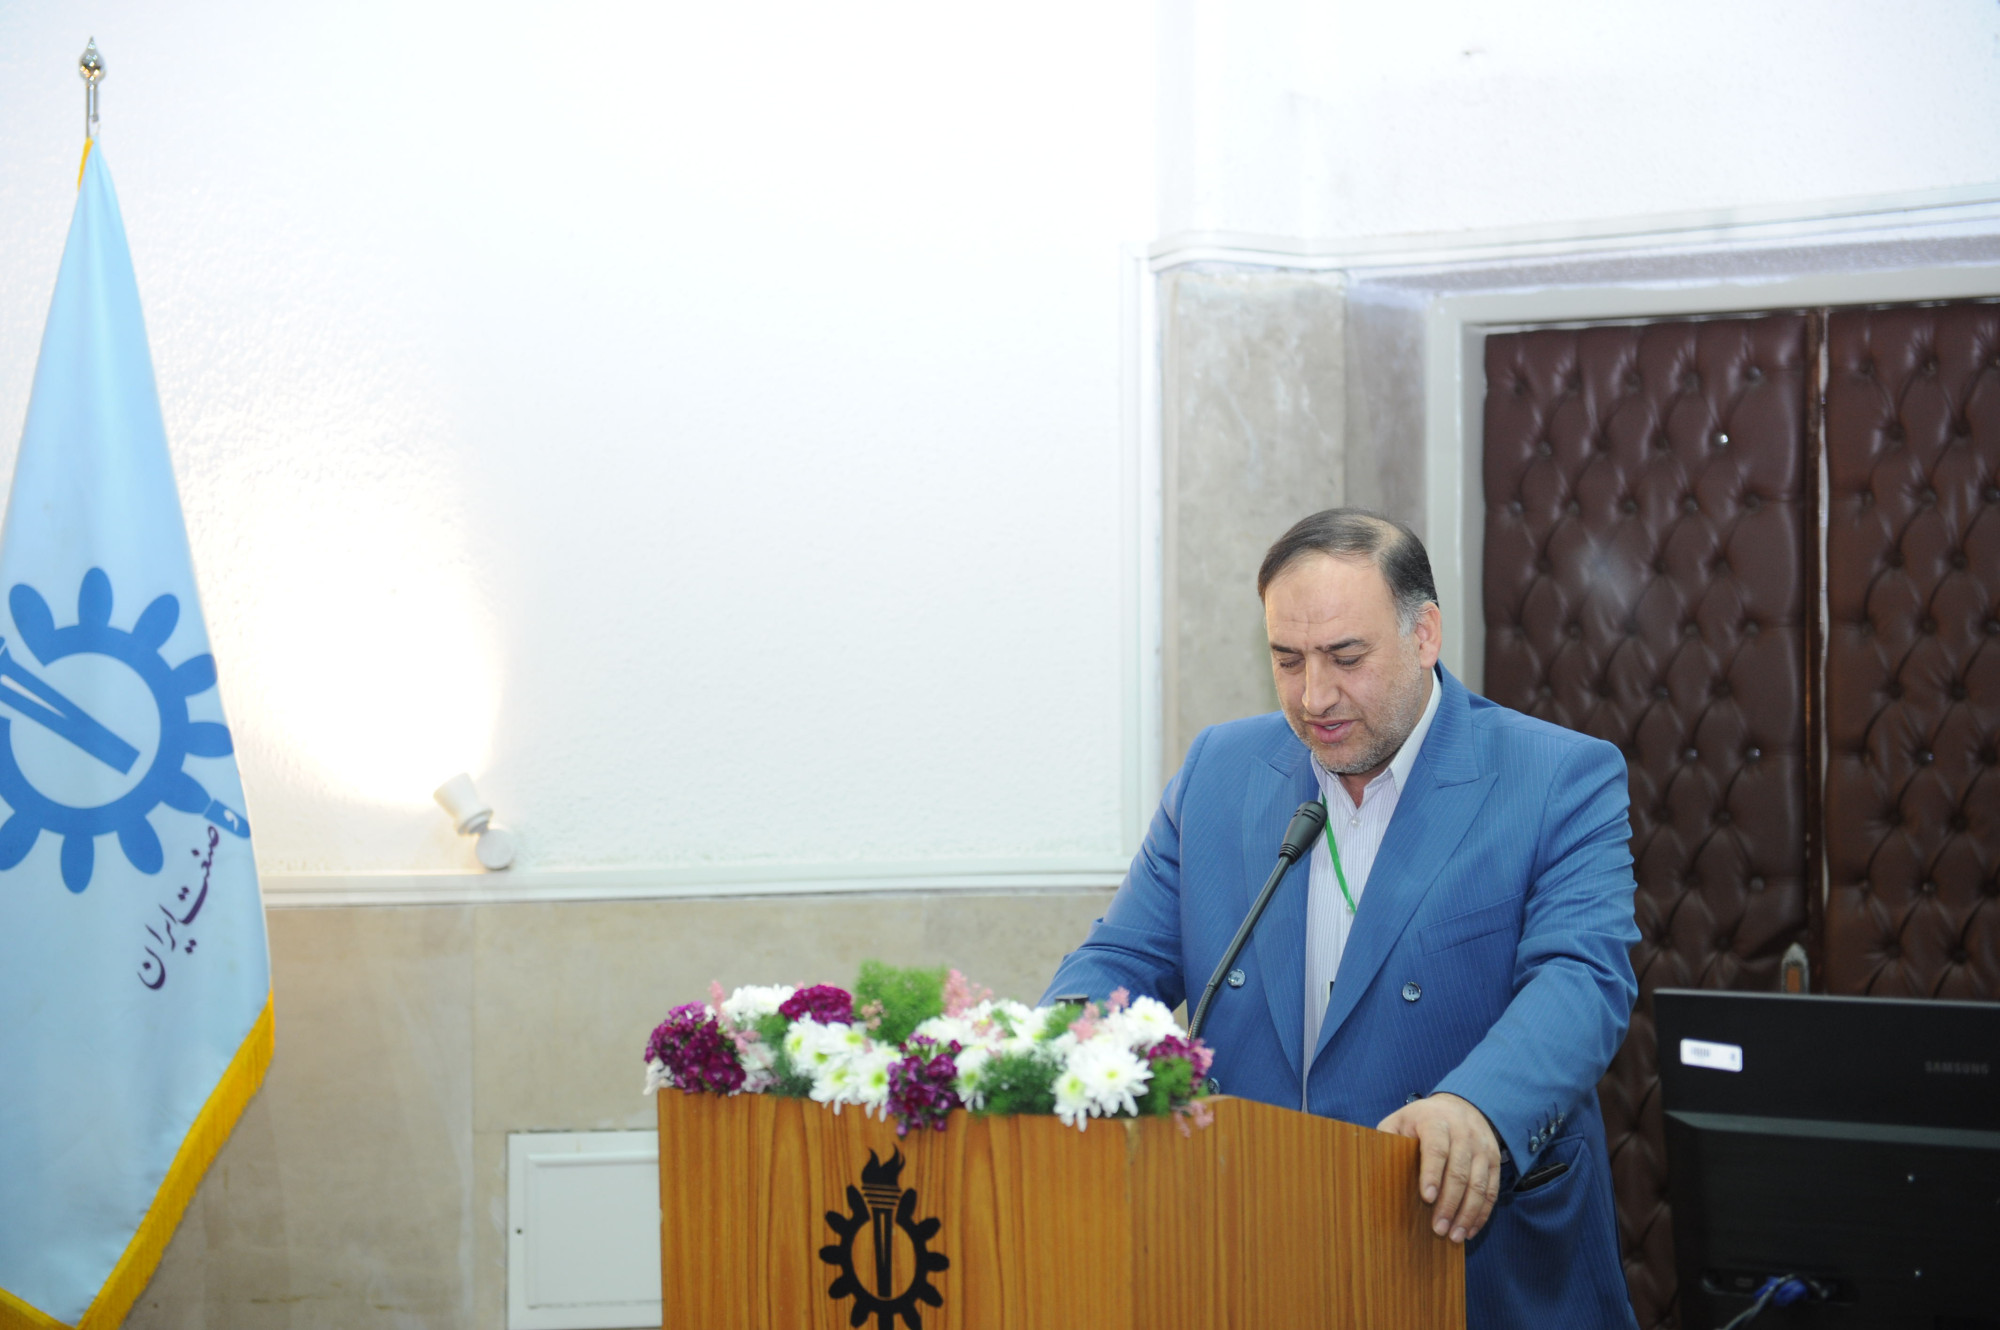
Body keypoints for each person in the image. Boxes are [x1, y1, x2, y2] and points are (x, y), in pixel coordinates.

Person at [1044, 508, 1640, 1329]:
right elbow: (1119, 960)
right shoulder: (1219, 770)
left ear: (1424, 635)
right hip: (1259, 1251)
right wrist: (1047, 1053)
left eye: (1345, 658)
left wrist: (1476, 1107)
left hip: (1469, 1260)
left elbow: (1581, 981)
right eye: (1287, 660)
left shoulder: (1557, 777)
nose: (1314, 696)